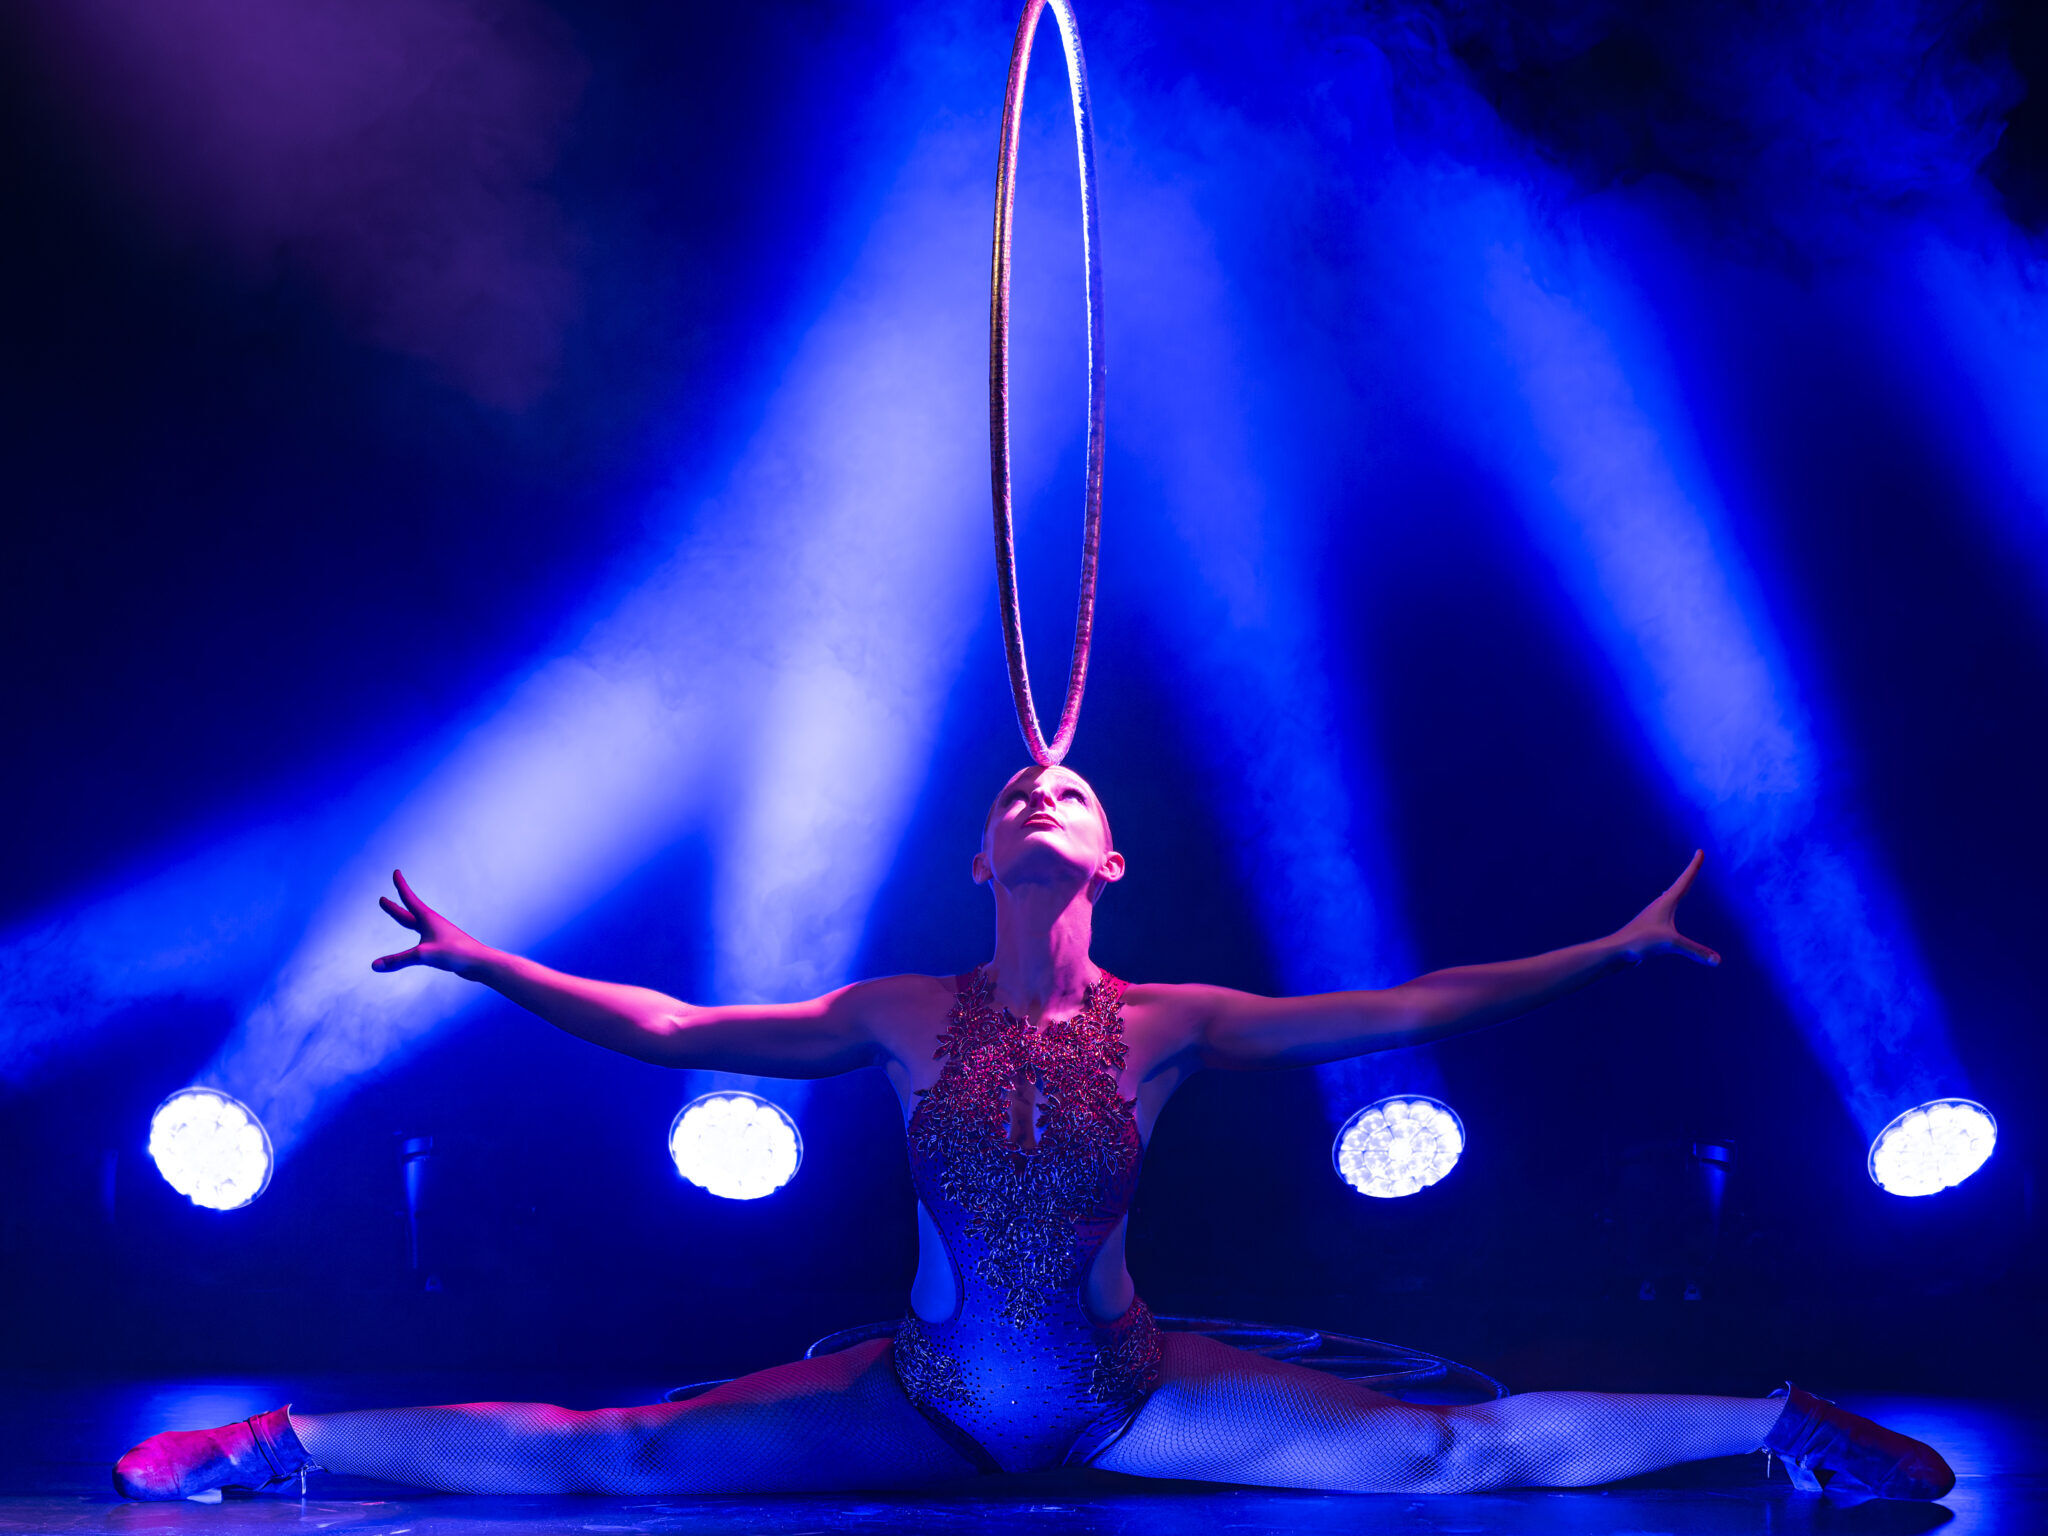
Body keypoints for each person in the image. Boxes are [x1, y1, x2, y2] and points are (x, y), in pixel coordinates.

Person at [113, 764, 1954, 1501]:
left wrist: (1610, 948)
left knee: (1440, 1463)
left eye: (1069, 785)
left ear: (1107, 860)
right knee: (629, 1463)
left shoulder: (1170, 1026)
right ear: (990, 858)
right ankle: (275, 1446)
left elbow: (1407, 1007)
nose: (1042, 789)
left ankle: (1783, 1425)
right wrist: (476, 957)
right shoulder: (899, 1016)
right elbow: (676, 1031)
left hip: (1125, 1389)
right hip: (920, 1384)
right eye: (1020, 789)